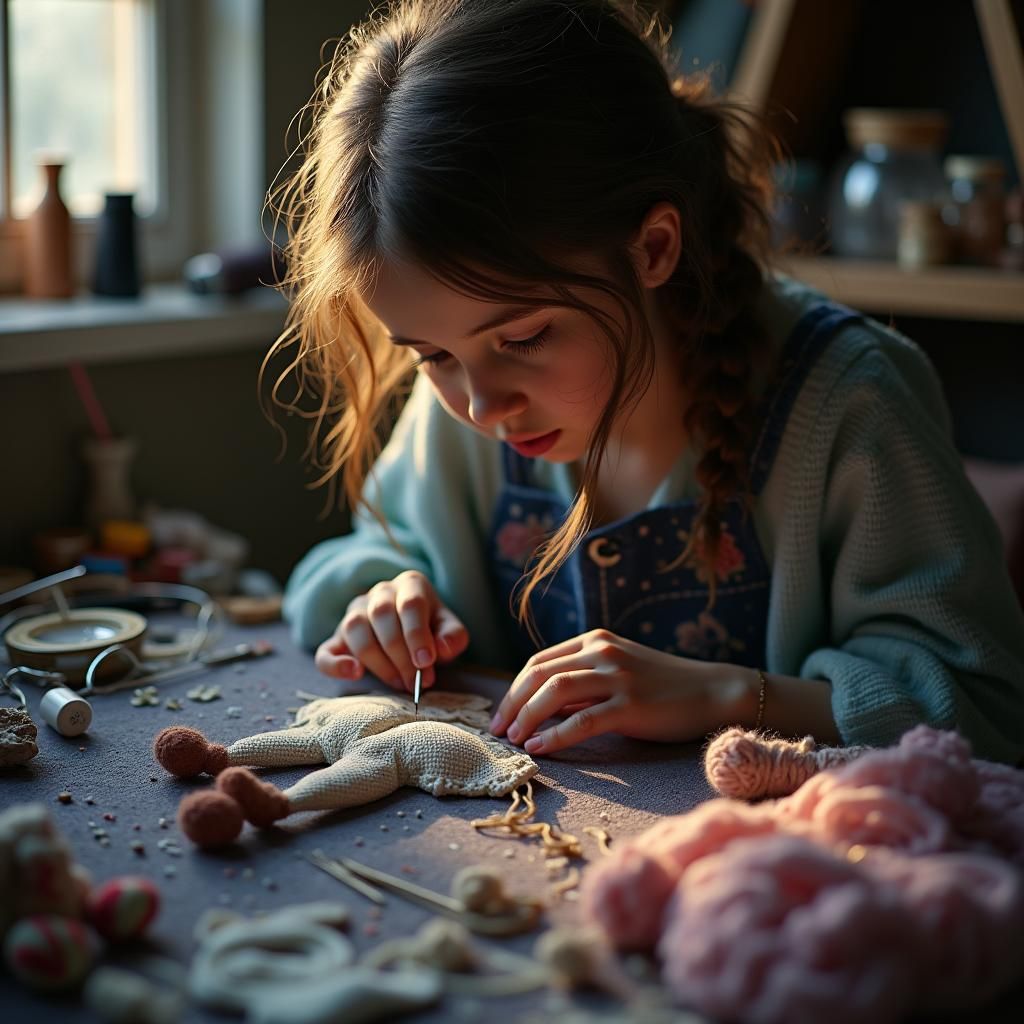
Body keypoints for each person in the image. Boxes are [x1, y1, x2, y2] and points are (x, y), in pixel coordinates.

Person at [269, 0, 1024, 764]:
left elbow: (983, 703)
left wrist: (729, 695)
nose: (481, 403)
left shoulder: (850, 399)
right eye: (430, 356)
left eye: (524, 337)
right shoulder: (462, 412)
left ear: (653, 247)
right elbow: (354, 562)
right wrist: (386, 595)